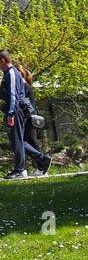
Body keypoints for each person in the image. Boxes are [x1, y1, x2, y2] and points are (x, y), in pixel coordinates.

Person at [0, 50, 48, 178]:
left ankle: (21, 169)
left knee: (17, 141)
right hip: (14, 110)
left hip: (16, 111)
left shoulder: (11, 73)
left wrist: (11, 113)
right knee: (18, 141)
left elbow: (13, 95)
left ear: (2, 60)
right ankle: (42, 159)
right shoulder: (8, 74)